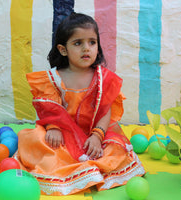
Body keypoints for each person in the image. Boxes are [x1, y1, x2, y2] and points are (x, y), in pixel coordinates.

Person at [13, 12, 145, 196]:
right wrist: (53, 128)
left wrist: (98, 136)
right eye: (78, 43)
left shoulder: (102, 78)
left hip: (94, 132)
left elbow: (105, 111)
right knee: (35, 138)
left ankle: (91, 164)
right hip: (64, 133)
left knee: (115, 148)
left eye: (92, 42)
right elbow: (49, 109)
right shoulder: (54, 78)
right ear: (63, 49)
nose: (86, 49)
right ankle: (71, 170)